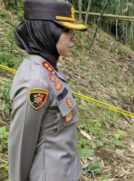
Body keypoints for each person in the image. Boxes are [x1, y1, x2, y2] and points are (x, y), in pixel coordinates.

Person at [8, 1, 87, 181]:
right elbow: (21, 146)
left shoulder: (47, 69)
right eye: (66, 31)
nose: (73, 37)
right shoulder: (35, 82)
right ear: (45, 30)